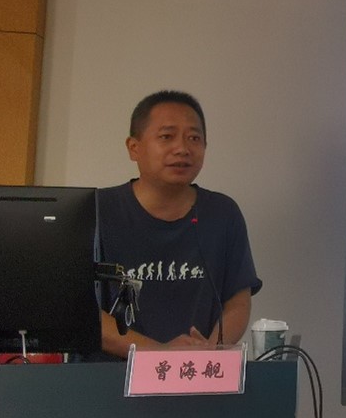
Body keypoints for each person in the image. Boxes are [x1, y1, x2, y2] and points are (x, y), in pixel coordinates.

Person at [96, 90, 260, 358]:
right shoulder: (98, 211)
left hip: (199, 374)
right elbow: (80, 311)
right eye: (167, 136)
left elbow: (238, 301)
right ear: (134, 148)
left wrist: (208, 353)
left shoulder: (223, 213)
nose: (182, 149)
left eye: (194, 138)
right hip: (111, 376)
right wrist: (161, 354)